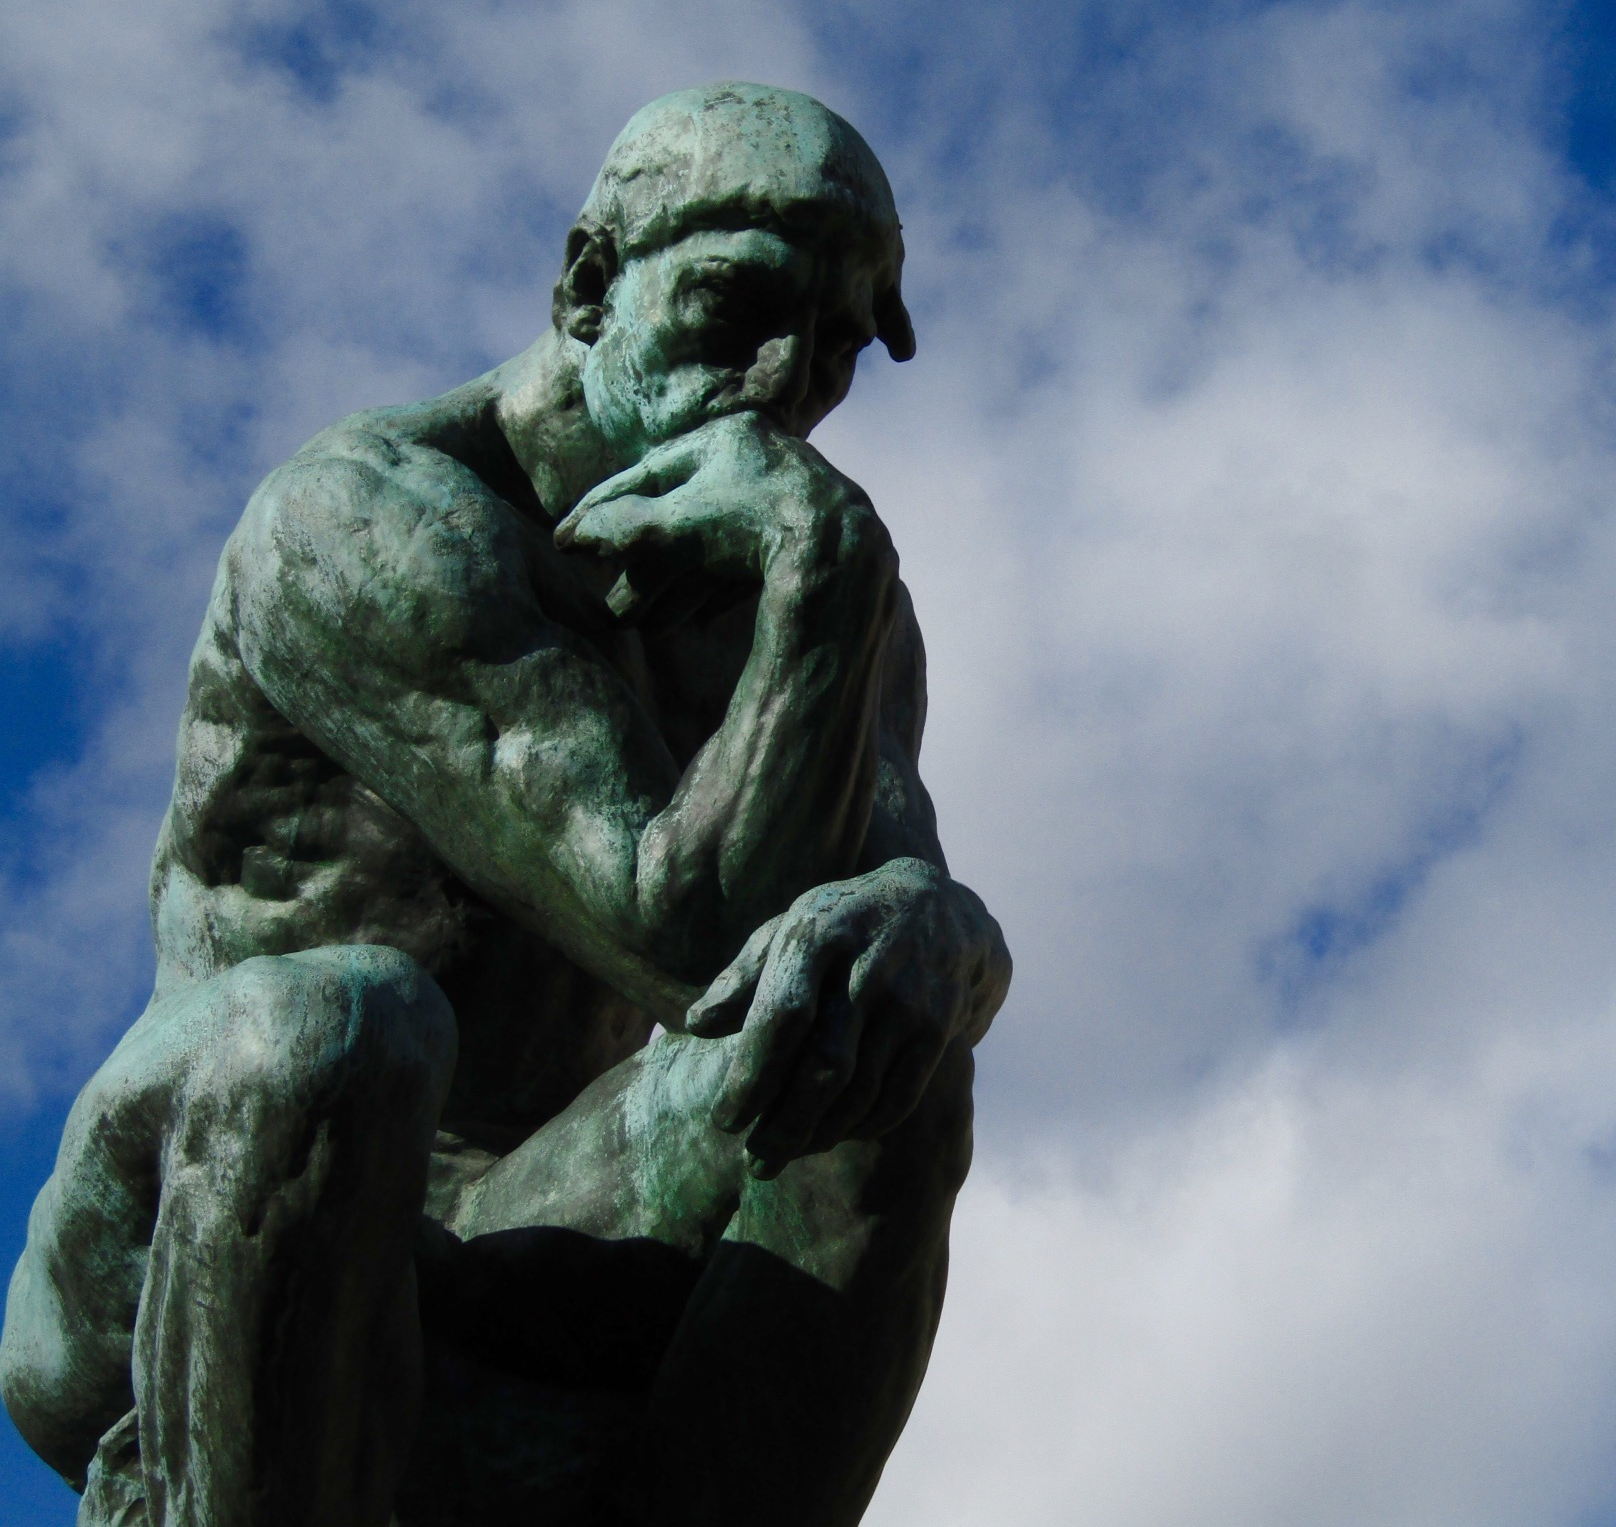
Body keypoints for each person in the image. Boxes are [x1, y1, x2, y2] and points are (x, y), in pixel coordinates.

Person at [0, 82, 1011, 1527]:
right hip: (220, 1184)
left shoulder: (817, 590)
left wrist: (943, 931)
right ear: (591, 285)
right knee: (346, 1023)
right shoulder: (371, 517)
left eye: (837, 347)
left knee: (883, 1059)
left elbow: (890, 922)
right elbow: (682, 931)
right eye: (733, 308)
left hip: (545, 1207)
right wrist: (820, 564)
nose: (783, 383)